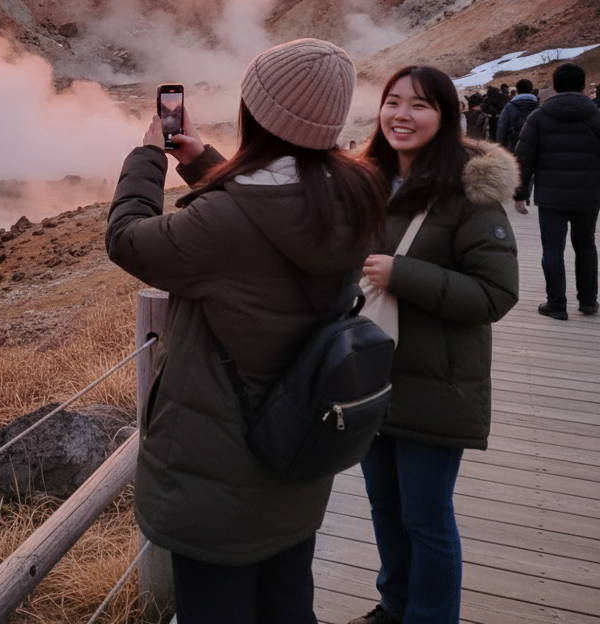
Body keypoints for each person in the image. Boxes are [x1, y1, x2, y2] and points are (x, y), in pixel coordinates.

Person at [106, 39, 385, 624]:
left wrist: (147, 156)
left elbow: (128, 238)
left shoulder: (225, 223)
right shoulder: (357, 193)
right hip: (297, 455)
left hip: (217, 478)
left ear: (254, 114)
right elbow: (273, 208)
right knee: (288, 603)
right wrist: (207, 162)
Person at [349, 65, 519, 624]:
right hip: (371, 373)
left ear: (446, 117)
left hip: (437, 383)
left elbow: (496, 293)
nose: (401, 115)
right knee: (385, 508)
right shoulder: (364, 179)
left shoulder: (468, 192)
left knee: (425, 516)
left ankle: (430, 617)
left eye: (420, 105)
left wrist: (404, 275)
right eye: (392, 102)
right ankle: (394, 606)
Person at [514, 62, 600, 319]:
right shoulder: (596, 117)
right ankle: (588, 301)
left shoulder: (539, 117)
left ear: (553, 87)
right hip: (589, 196)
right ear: (584, 87)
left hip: (551, 198)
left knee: (553, 249)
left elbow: (523, 158)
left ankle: (556, 304)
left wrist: (519, 194)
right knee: (586, 246)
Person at [496, 78, 538, 153]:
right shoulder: (539, 106)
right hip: (536, 146)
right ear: (531, 90)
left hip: (514, 146)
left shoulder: (509, 107)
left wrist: (501, 147)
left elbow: (502, 127)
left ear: (517, 91)